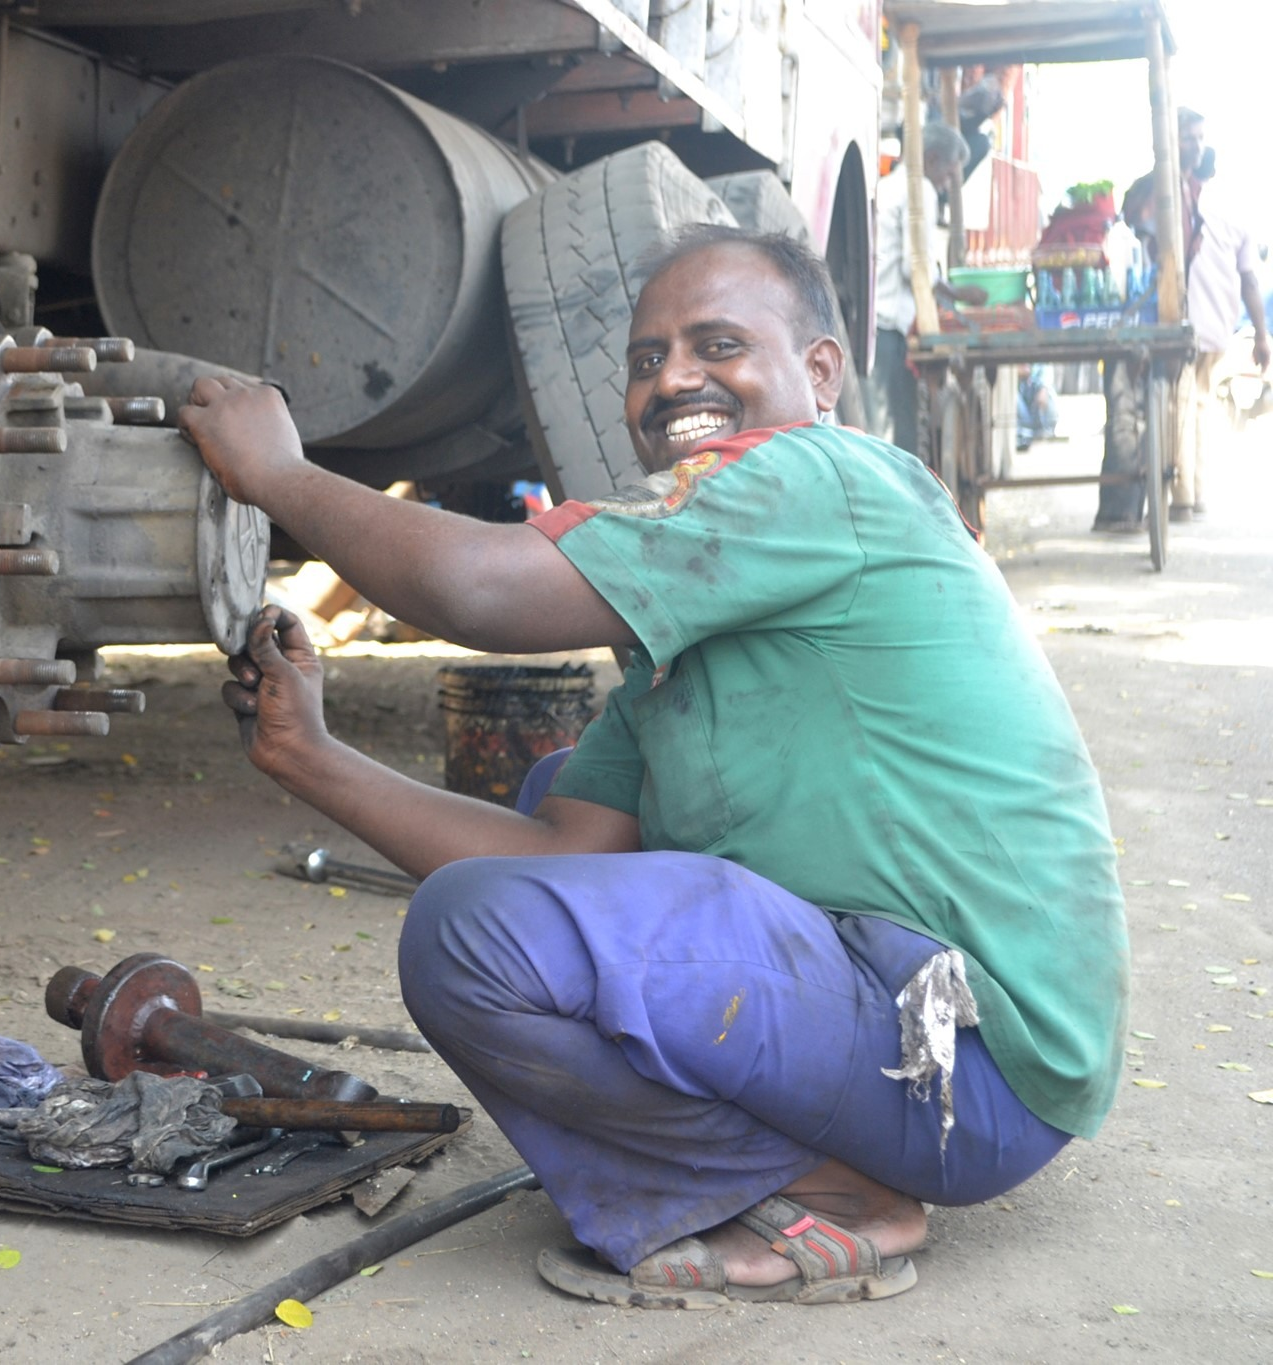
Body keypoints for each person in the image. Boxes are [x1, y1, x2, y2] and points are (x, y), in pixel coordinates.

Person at [178, 225, 1127, 1309]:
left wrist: (283, 477)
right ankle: (818, 1169)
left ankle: (839, 1197)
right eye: (644, 358)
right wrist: (313, 758)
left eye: (716, 344)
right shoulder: (690, 626)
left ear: (817, 374)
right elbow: (559, 850)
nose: (671, 377)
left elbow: (483, 591)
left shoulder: (815, 478)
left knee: (478, 926)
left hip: (965, 1062)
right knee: (544, 822)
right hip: (923, 1052)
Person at [1096, 108, 1269, 530]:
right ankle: (1187, 494)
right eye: (1187, 137)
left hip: (1204, 323)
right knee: (1191, 404)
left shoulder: (1201, 199)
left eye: (1199, 137)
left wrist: (1262, 335)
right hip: (1180, 320)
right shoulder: (1158, 192)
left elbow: (1248, 277)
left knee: (1187, 404)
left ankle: (1186, 495)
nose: (1194, 144)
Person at [868, 122, 979, 456]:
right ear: (931, 159)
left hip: (876, 324)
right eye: (947, 173)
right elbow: (914, 267)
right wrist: (959, 294)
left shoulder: (888, 185)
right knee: (898, 440)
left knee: (878, 431)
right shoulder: (920, 191)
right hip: (891, 327)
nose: (946, 184)